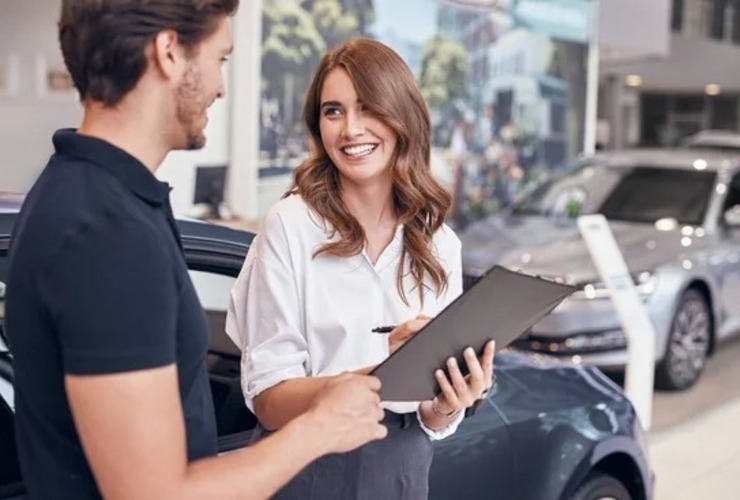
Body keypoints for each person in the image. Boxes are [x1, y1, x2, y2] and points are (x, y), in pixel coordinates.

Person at [4, 2, 387, 499]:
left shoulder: (87, 194)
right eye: (220, 59)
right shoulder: (105, 233)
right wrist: (319, 430)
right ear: (169, 52)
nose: (220, 86)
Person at [226, 38, 496, 499]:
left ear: (402, 116)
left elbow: (431, 421)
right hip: (304, 468)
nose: (350, 129)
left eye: (368, 107)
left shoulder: (439, 245)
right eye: (333, 111)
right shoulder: (290, 227)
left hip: (402, 471)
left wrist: (452, 402)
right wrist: (379, 375)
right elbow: (270, 401)